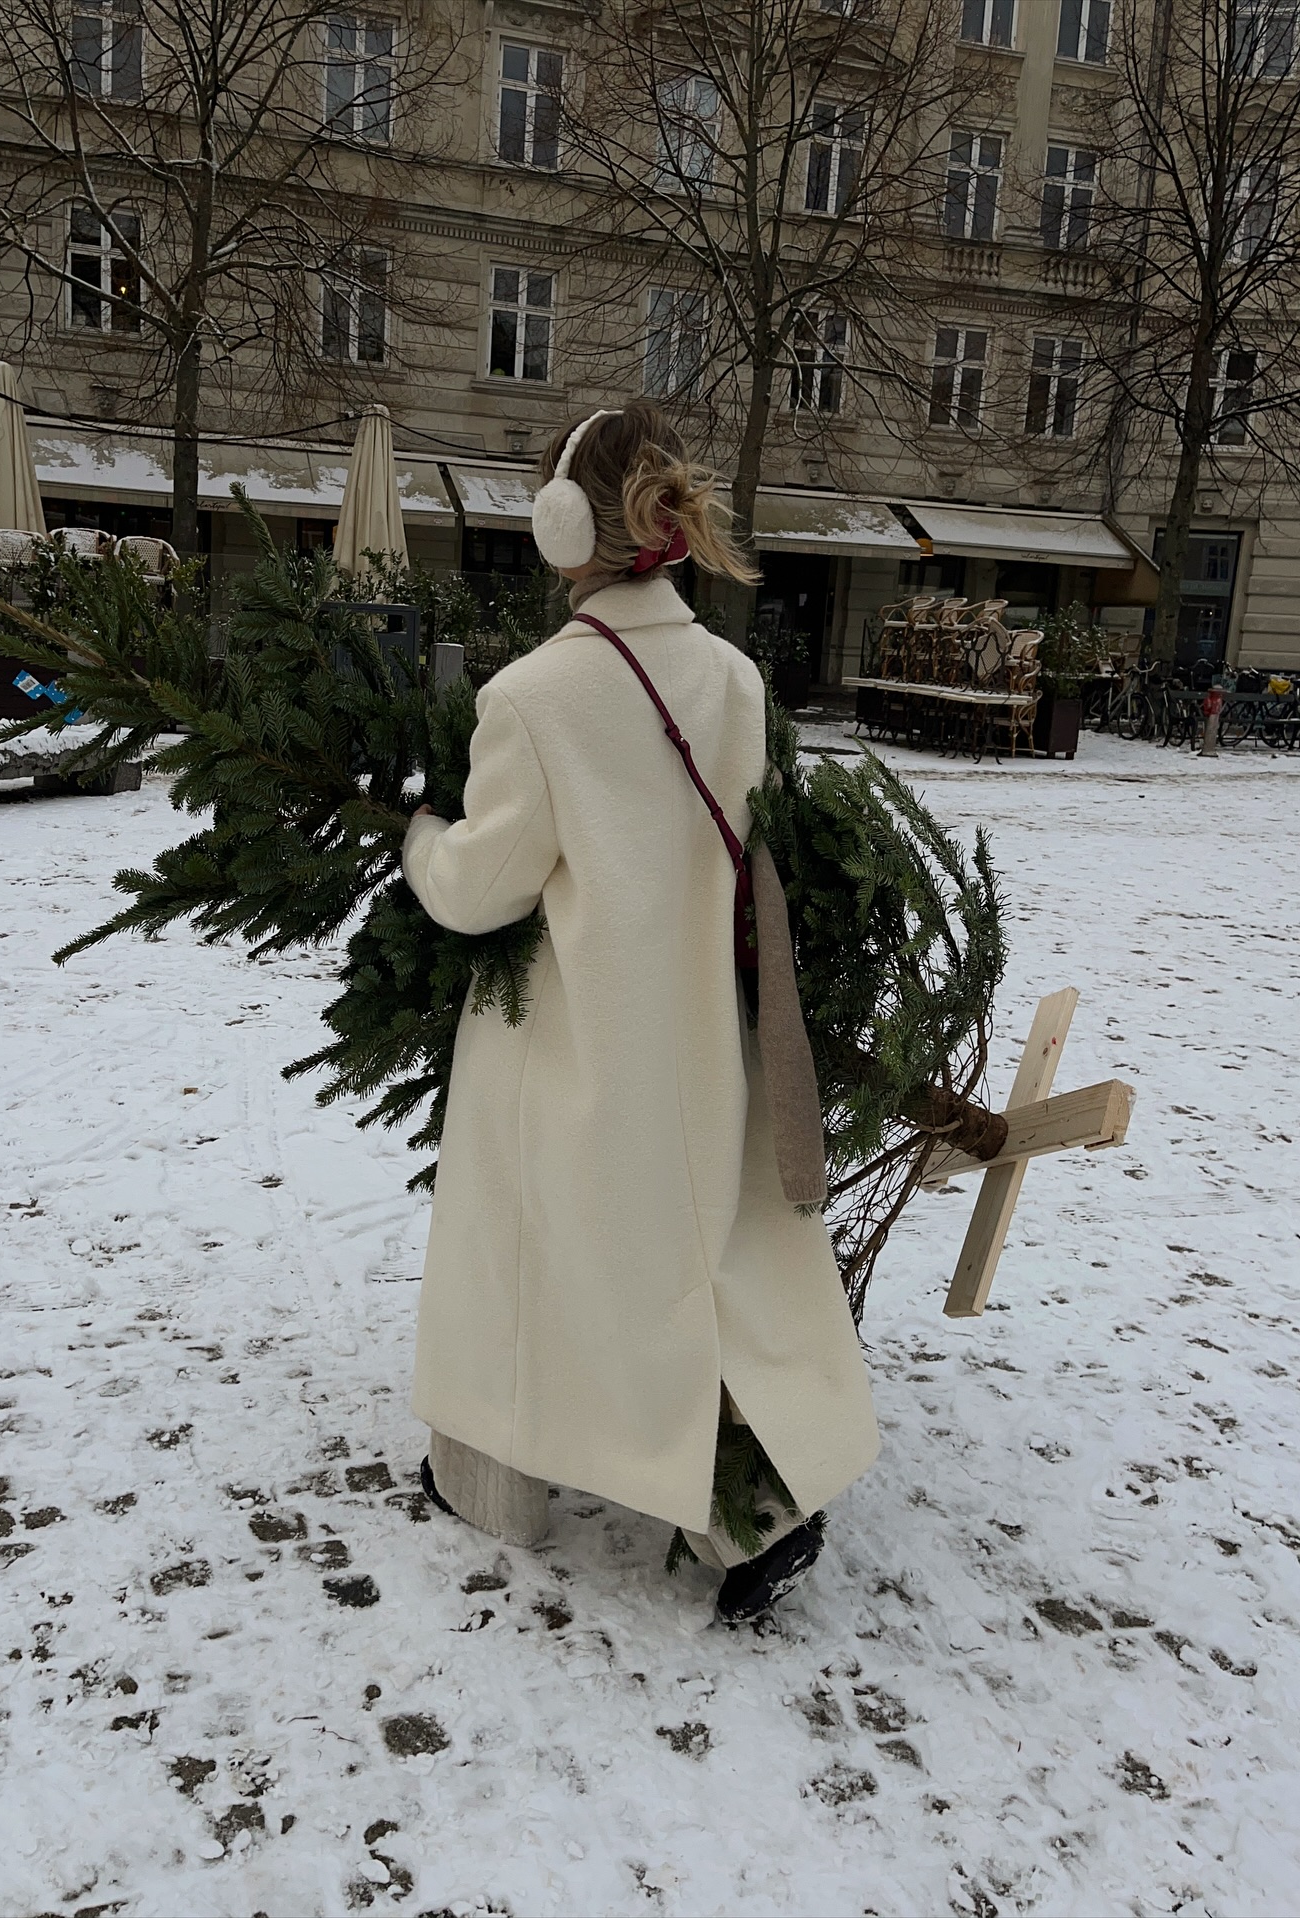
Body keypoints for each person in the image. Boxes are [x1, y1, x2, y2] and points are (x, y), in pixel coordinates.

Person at [401, 401, 877, 1622]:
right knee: (690, 1265)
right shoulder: (735, 677)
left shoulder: (532, 696)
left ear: (565, 526)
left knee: (532, 1258)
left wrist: (420, 838)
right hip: (702, 1030)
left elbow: (485, 885)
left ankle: (578, 1491)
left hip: (570, 1035)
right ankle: (743, 1497)